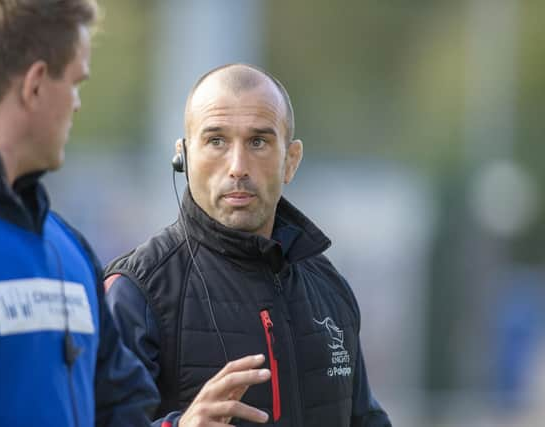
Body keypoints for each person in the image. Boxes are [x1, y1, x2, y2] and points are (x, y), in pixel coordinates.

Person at [0, 1, 159, 426]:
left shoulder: (69, 248)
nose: (77, 103)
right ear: (36, 84)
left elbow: (126, 407)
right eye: (76, 82)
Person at [104, 63, 392, 426]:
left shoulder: (330, 287)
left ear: (291, 160)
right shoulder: (136, 292)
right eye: (216, 141)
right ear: (184, 158)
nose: (238, 166)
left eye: (258, 142)